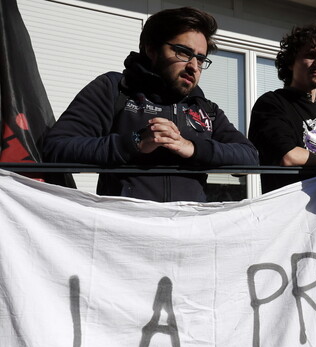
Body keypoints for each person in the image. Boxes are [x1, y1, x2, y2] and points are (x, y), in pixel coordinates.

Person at [43, 7, 258, 202]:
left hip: (191, 233)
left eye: (201, 59)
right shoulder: (114, 89)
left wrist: (192, 148)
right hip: (127, 232)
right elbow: (57, 148)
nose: (194, 66)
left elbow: (250, 158)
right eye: (183, 52)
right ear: (151, 50)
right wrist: (134, 142)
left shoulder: (204, 108)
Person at [248, 24, 316, 193]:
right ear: (291, 62)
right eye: (311, 55)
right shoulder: (272, 103)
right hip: (292, 212)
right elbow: (288, 156)